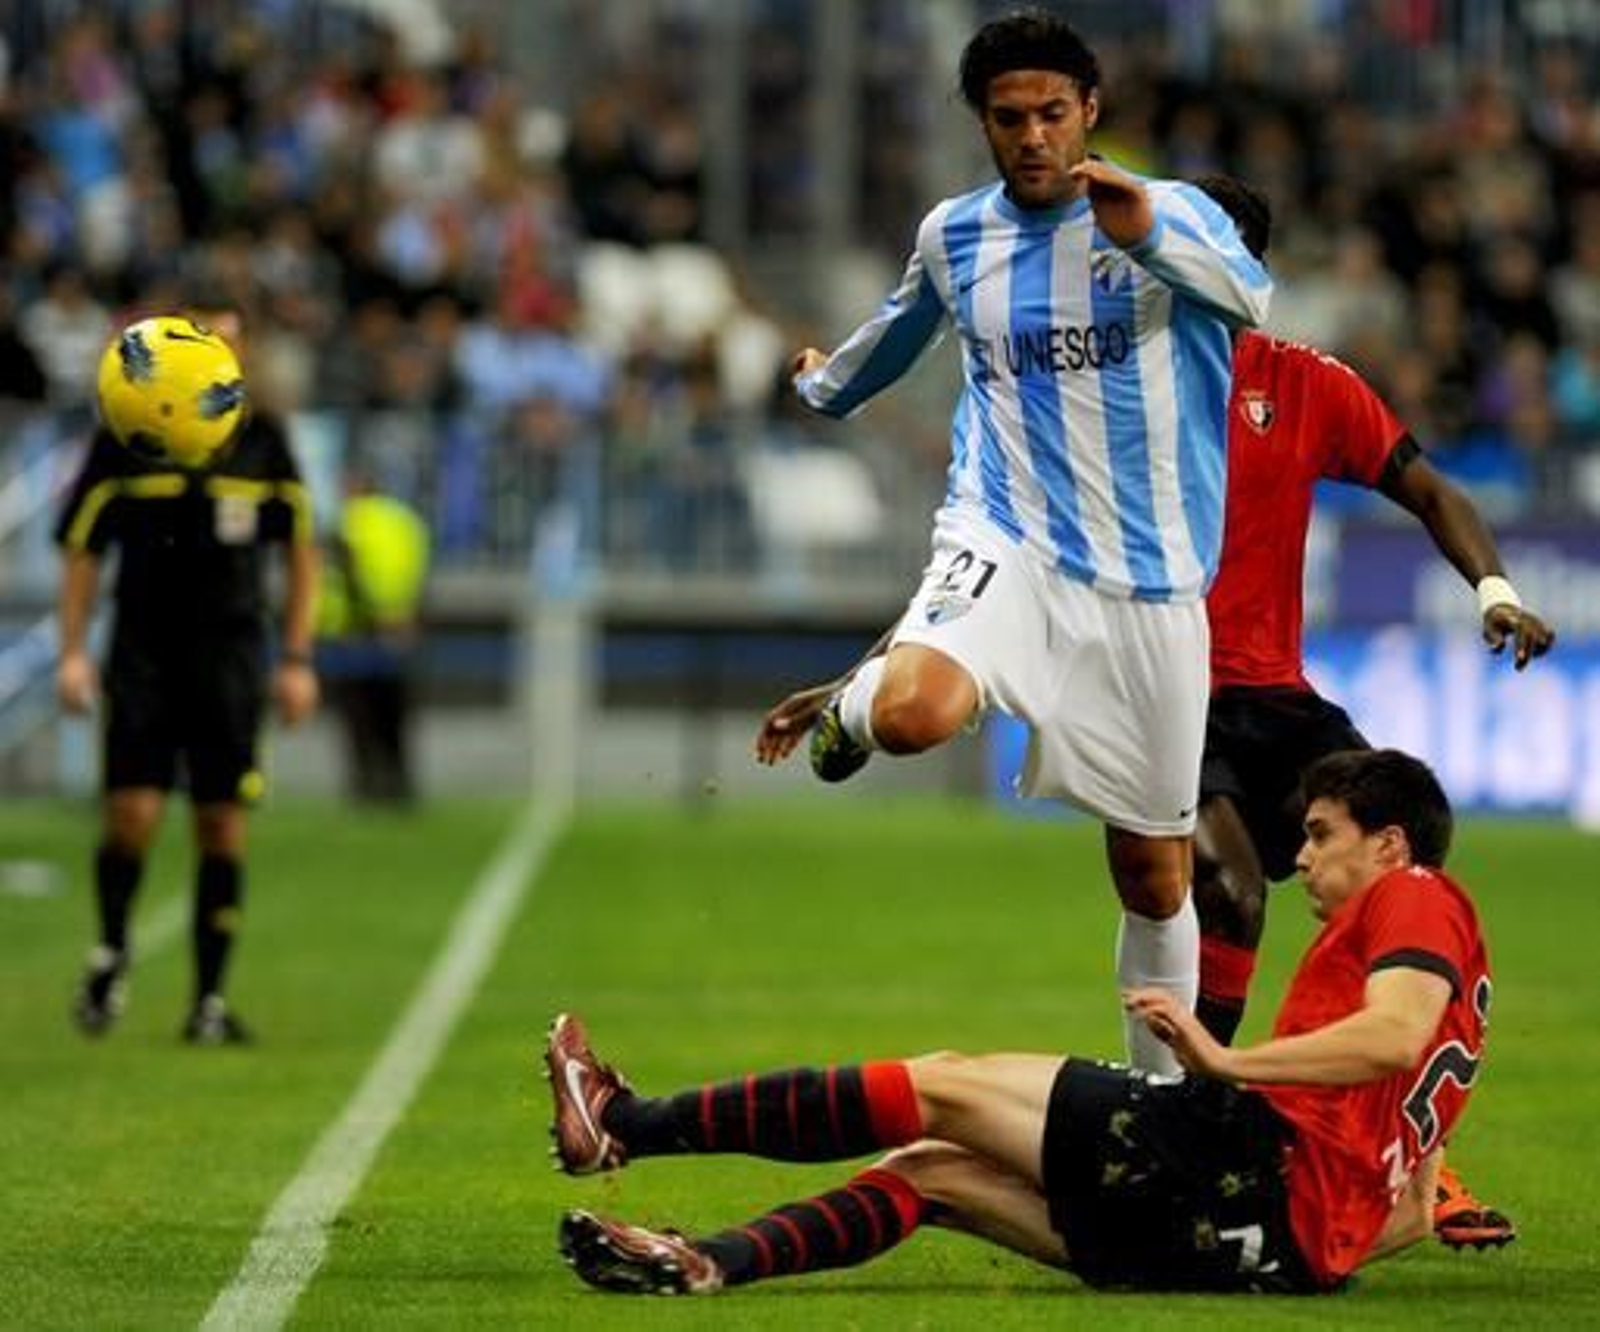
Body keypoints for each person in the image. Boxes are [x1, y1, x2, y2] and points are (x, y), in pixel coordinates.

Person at [762, 173, 1549, 1248]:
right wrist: (870, 673)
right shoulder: (1097, 390)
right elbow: (986, 560)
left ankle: (1415, 1158)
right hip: (1159, 682)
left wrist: (1493, 590)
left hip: (1277, 696)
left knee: (1402, 871)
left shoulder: (1306, 384)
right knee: (1224, 888)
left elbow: (1428, 489)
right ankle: (1196, 1116)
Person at [781, 9, 1270, 1075]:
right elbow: (894, 337)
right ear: (984, 125)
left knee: (1155, 878)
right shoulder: (953, 236)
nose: (1034, 136)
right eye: (1010, 119)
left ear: (1089, 109)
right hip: (1006, 537)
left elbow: (1251, 299)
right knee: (915, 713)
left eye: (1053, 113)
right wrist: (820, 387)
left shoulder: (1169, 212)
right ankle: (853, 711)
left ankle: (1154, 1108)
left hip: (1148, 584)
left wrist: (1146, 234)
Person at [546, 748, 1490, 1297]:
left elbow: (1393, 1034)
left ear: (1390, 844)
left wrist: (1222, 1061)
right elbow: (1411, 1204)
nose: (1303, 856)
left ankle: (622, 1124)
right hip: (1275, 1250)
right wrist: (1337, 1234)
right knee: (931, 1176)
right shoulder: (1464, 985)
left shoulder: (1413, 893)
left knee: (942, 1084)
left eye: (1321, 834)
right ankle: (706, 1263)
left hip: (1242, 1155)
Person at [56, 302, 319, 1044]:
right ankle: (111, 949)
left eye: (231, 338)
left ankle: (208, 1001)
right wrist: (73, 652)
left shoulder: (265, 442)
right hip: (143, 654)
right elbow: (82, 552)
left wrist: (297, 658)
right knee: (133, 815)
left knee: (222, 823)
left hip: (230, 658)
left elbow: (301, 554)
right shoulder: (125, 438)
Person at [316, 481, 430, 804]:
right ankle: (399, 783)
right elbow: (420, 570)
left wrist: (373, 613)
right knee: (394, 713)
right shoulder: (406, 521)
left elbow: (350, 574)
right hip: (399, 627)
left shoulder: (347, 522)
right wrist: (411, 616)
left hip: (354, 631)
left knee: (358, 715)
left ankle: (366, 784)